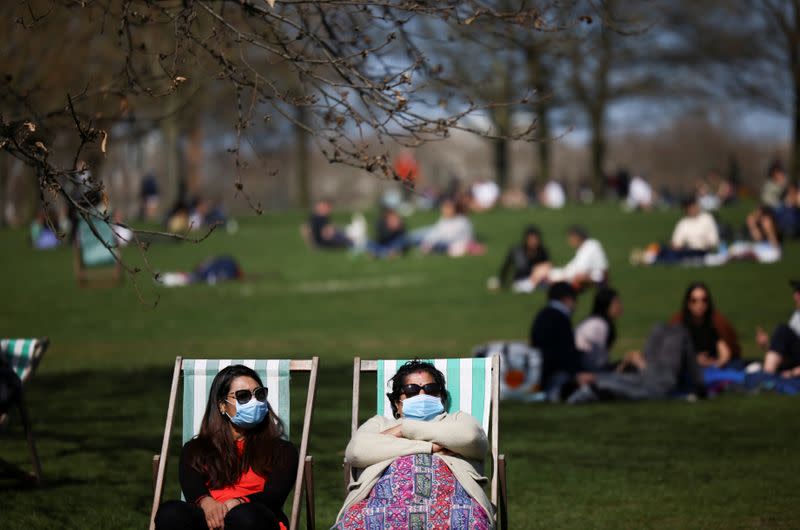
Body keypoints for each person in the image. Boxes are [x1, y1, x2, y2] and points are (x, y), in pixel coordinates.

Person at [334, 360, 492, 529]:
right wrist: (429, 447)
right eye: (411, 391)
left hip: (452, 504)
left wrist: (404, 429)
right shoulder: (380, 423)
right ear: (397, 403)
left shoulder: (457, 420)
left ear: (441, 397)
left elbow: (471, 438)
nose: (422, 395)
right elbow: (357, 451)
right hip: (381, 506)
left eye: (431, 389)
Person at [155, 365, 298, 530]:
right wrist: (207, 503)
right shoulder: (196, 449)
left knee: (245, 517)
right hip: (209, 518)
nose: (254, 402)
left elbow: (274, 496)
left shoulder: (282, 450)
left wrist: (237, 503)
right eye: (243, 396)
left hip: (256, 517)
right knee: (170, 513)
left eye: (259, 394)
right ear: (222, 405)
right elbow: (193, 489)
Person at [529, 282, 594, 401]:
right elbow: (563, 352)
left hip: (541, 372)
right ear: (567, 299)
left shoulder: (544, 314)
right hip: (554, 375)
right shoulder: (560, 317)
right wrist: (576, 373)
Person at [669, 282, 741, 368]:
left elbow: (725, 353)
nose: (699, 305)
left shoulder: (715, 322)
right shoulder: (679, 323)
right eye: (694, 301)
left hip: (712, 369)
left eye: (704, 300)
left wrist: (714, 364)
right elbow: (672, 352)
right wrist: (694, 360)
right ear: (688, 303)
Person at [530, 225, 608, 289]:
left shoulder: (589, 247)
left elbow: (580, 270)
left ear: (576, 237)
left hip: (591, 277)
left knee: (546, 273)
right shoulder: (586, 247)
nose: (570, 242)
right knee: (544, 271)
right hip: (580, 275)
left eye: (571, 239)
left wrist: (563, 276)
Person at [757, 280, 800, 378]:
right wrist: (767, 345)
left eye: (799, 293)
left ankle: (765, 378)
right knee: (782, 330)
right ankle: (766, 376)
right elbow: (788, 351)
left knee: (782, 330)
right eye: (795, 292)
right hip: (792, 363)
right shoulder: (796, 316)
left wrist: (793, 373)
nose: (795, 296)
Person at [489, 225, 550, 293]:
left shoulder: (542, 251)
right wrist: (501, 281)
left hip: (538, 277)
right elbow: (506, 267)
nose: (533, 242)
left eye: (535, 239)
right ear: (526, 239)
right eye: (531, 239)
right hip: (522, 279)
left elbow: (547, 266)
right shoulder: (517, 251)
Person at [575, 287, 623, 372]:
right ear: (606, 305)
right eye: (616, 303)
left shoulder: (596, 322)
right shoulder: (598, 325)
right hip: (584, 372)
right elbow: (597, 362)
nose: (620, 306)